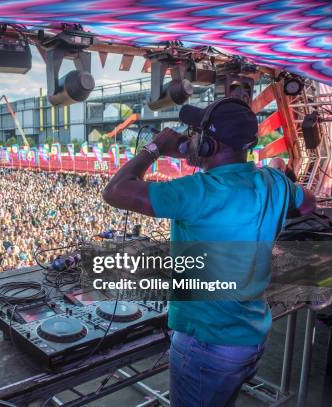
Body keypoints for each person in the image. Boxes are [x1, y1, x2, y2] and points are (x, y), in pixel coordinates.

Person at [102, 97, 316, 406]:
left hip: (207, 346)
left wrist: (155, 148)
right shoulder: (273, 183)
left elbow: (115, 190)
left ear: (208, 145)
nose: (190, 139)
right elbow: (307, 203)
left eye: (196, 133)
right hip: (251, 338)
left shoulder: (197, 192)